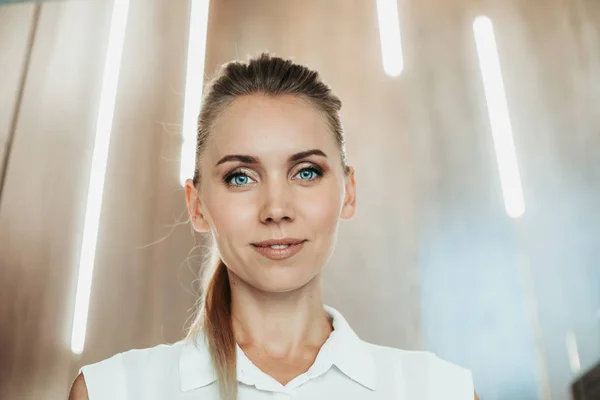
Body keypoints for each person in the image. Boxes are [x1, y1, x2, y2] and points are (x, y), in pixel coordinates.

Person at [69, 53, 479, 400]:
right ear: (197, 205)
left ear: (348, 192)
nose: (276, 208)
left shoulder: (442, 390)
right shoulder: (111, 391)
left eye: (305, 172)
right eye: (241, 177)